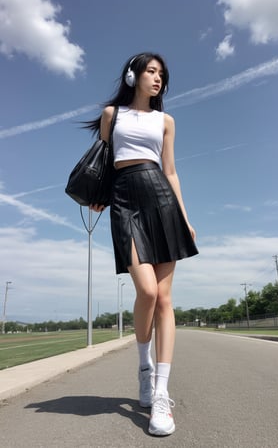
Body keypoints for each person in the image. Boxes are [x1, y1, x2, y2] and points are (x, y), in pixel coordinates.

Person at [87, 52, 198, 436]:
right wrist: (99, 195)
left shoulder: (165, 120)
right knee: (147, 292)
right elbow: (104, 161)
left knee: (165, 300)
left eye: (162, 75)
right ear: (133, 75)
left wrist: (184, 217)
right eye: (151, 71)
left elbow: (170, 170)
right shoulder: (110, 115)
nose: (157, 79)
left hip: (162, 199)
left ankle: (161, 395)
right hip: (124, 202)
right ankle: (143, 366)